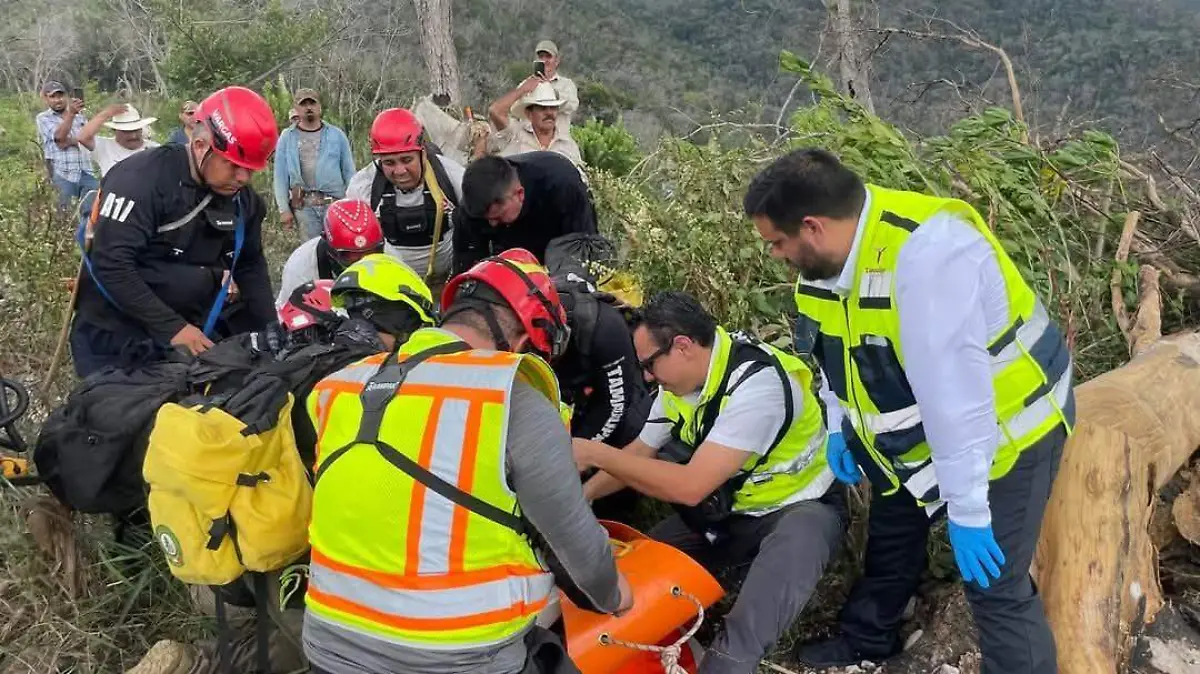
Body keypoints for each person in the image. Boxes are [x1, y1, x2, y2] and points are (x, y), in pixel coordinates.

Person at [745, 148, 1074, 674]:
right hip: (911, 430)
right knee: (895, 520)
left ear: (812, 227)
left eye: (777, 243)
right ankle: (870, 636)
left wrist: (967, 511)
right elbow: (830, 355)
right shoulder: (825, 265)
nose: (775, 256)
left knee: (995, 585)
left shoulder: (929, 256)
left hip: (1012, 427)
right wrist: (841, 427)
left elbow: (958, 400)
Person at [303, 247, 632, 674]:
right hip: (459, 655)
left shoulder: (338, 387)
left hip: (327, 642)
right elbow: (575, 544)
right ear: (522, 340)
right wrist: (617, 597)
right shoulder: (513, 398)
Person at [574, 290, 842, 674]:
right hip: (730, 511)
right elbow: (637, 455)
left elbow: (689, 486)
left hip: (797, 508)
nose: (648, 377)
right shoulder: (680, 388)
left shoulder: (757, 386)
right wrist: (581, 498)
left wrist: (595, 453)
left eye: (650, 365)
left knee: (755, 612)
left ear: (682, 346)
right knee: (634, 575)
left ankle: (726, 664)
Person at [70, 85, 279, 378]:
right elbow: (111, 264)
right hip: (115, 334)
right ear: (200, 145)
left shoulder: (244, 203)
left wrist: (271, 332)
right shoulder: (140, 181)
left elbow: (251, 266)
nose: (243, 178)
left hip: (188, 329)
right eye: (233, 165)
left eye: (251, 169)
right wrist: (173, 328)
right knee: (122, 417)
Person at [345, 108, 464, 283]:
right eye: (389, 163)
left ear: (422, 153)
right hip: (393, 286)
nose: (400, 171)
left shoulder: (452, 177)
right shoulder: (363, 186)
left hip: (448, 280)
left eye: (407, 160)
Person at [452, 152, 597, 275]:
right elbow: (466, 265)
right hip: (509, 262)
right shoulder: (471, 207)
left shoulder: (562, 184)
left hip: (560, 250)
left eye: (497, 217)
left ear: (519, 194)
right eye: (487, 219)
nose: (492, 223)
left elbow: (585, 247)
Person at [275, 198, 398, 309]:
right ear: (329, 248)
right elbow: (291, 314)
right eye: (351, 257)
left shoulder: (392, 257)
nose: (363, 263)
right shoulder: (301, 265)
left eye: (371, 253)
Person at [273, 88, 356, 239]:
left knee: (340, 249)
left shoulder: (337, 135)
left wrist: (352, 204)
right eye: (304, 104)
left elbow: (349, 172)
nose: (308, 107)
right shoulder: (287, 137)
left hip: (334, 204)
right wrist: (284, 210)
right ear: (297, 109)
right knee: (311, 253)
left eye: (312, 103)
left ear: (319, 107)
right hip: (304, 207)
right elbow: (280, 176)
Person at [483, 80, 584, 169]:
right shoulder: (514, 134)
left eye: (553, 108)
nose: (549, 113)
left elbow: (581, 181)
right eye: (542, 108)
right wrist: (522, 90)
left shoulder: (568, 144)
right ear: (529, 114)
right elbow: (495, 110)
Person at [35, 80, 98, 213]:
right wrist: (71, 115)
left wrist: (70, 140)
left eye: (60, 95)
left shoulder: (81, 116)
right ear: (46, 98)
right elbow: (59, 138)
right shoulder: (43, 118)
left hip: (86, 171)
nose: (58, 100)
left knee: (93, 213)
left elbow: (90, 143)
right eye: (53, 96)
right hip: (63, 173)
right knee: (64, 215)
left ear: (67, 96)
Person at [508, 40, 579, 134]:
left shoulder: (567, 84)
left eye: (548, 56)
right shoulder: (525, 84)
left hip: (558, 142)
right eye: (541, 56)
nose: (544, 60)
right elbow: (514, 109)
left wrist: (550, 90)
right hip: (530, 141)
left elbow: (573, 105)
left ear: (556, 61)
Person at [76, 103, 160, 177]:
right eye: (127, 132)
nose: (133, 136)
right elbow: (82, 137)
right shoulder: (104, 147)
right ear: (115, 131)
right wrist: (106, 113)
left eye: (136, 130)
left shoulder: (155, 149)